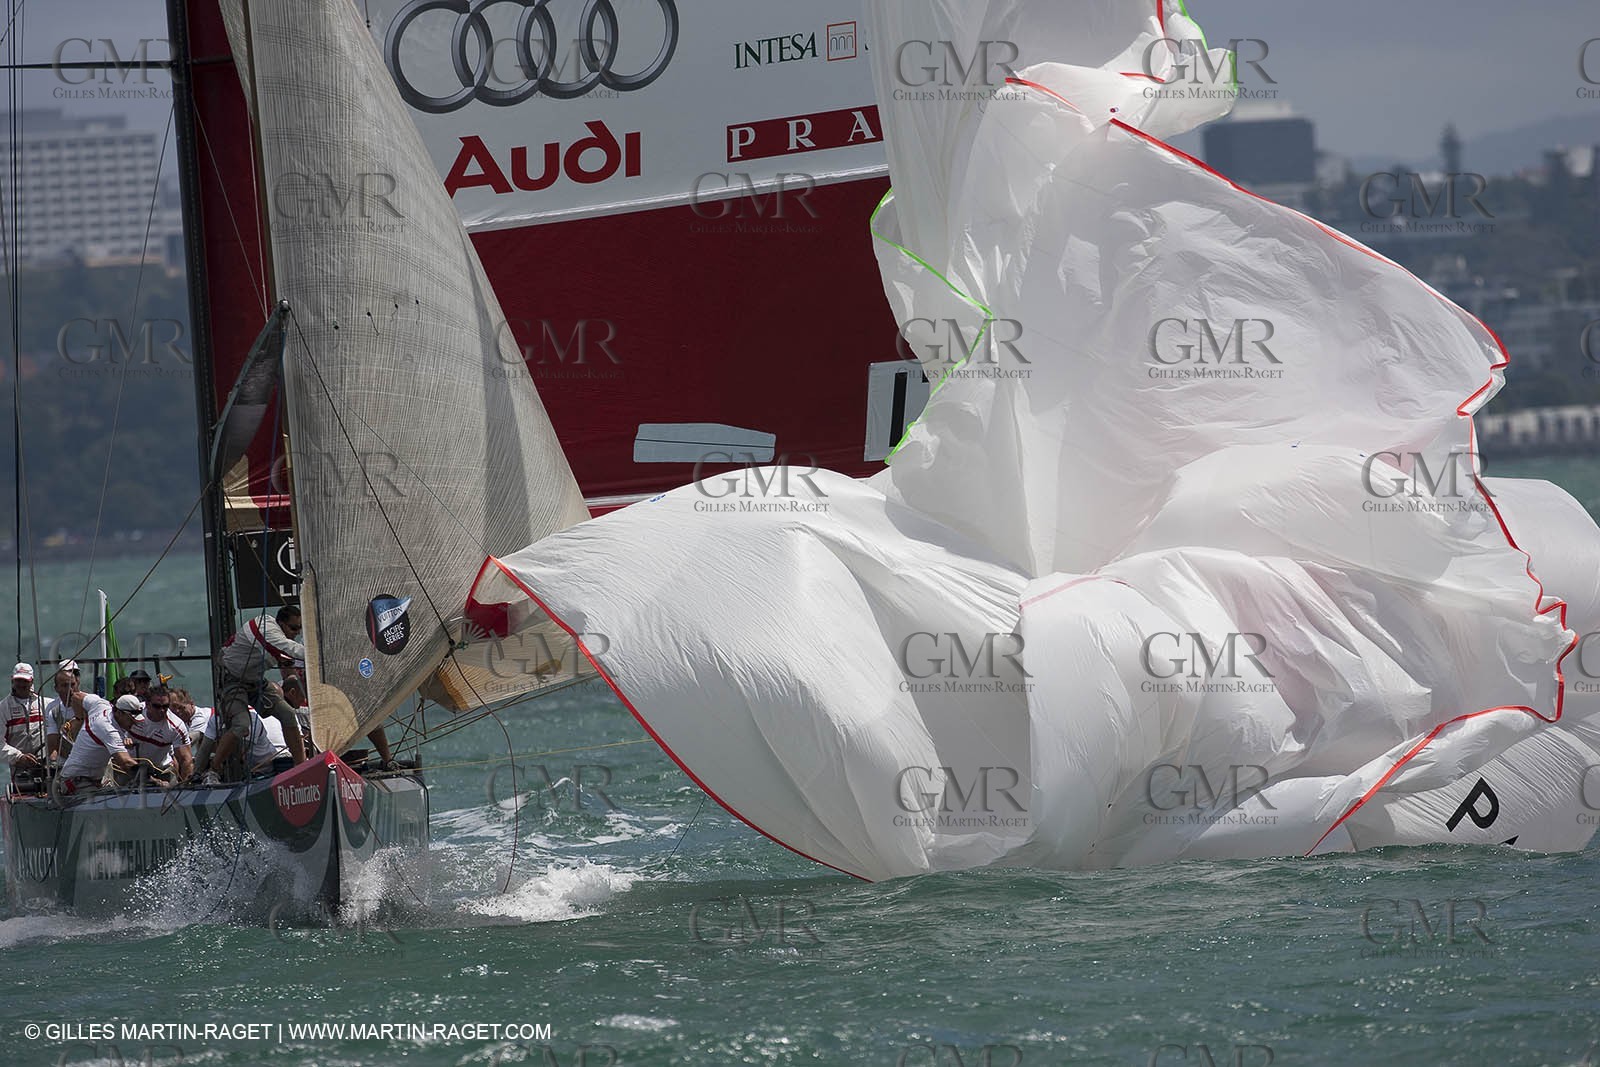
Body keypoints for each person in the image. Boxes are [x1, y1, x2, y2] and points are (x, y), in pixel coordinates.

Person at [214, 605, 308, 782]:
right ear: (280, 624)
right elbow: (289, 648)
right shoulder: (266, 628)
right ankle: (214, 768)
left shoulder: (278, 639)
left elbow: (288, 655)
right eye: (293, 628)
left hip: (255, 681)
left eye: (299, 629)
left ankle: (301, 767)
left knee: (288, 714)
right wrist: (321, 654)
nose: (296, 632)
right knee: (242, 726)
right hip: (232, 682)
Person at [56, 689, 138, 792]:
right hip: (76, 781)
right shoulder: (108, 729)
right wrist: (150, 776)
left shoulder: (101, 705)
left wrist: (79, 719)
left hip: (92, 781)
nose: (134, 724)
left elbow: (76, 696)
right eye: (131, 719)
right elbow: (125, 763)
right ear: (119, 713)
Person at [121, 685, 193, 786]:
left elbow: (186, 759)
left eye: (165, 706)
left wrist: (185, 786)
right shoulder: (134, 711)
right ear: (147, 704)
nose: (162, 710)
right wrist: (123, 738)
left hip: (160, 770)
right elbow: (115, 724)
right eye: (157, 706)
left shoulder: (176, 726)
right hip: (130, 767)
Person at [2, 663, 47, 793]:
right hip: (19, 772)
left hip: (47, 769)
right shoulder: (3, 708)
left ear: (32, 681)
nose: (21, 684)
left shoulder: (46, 704)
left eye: (25, 681)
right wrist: (19, 757)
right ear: (12, 680)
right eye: (18, 680)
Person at [43, 667, 79, 765]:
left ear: (77, 683)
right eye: (64, 686)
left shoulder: (90, 706)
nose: (70, 690)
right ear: (56, 688)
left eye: (72, 685)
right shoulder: (54, 713)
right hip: (66, 762)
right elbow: (53, 745)